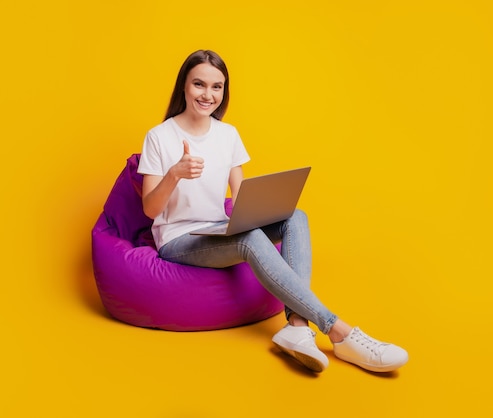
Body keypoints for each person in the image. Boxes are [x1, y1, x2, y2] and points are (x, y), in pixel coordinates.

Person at [137, 49, 408, 373]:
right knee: (250, 239)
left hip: (217, 227)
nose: (208, 95)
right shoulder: (160, 136)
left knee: (296, 216)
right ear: (184, 86)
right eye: (199, 84)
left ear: (224, 92)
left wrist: (257, 211)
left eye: (217, 87)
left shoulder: (228, 134)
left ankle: (296, 326)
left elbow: (240, 200)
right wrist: (175, 173)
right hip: (178, 239)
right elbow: (151, 210)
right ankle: (338, 331)